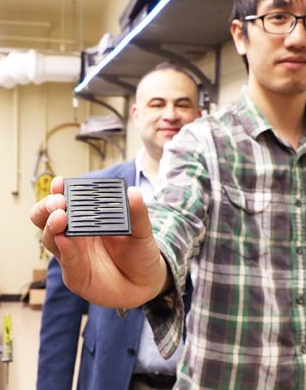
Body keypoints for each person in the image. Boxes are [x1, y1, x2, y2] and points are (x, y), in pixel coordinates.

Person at [31, 0, 306, 389]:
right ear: (241, 33)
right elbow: (170, 229)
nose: (298, 35)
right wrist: (149, 276)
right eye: (278, 17)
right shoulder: (195, 148)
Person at [37, 63, 202, 390]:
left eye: (182, 104)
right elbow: (61, 313)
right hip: (113, 378)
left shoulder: (218, 193)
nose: (170, 114)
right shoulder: (97, 190)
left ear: (198, 114)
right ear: (136, 114)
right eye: (157, 104)